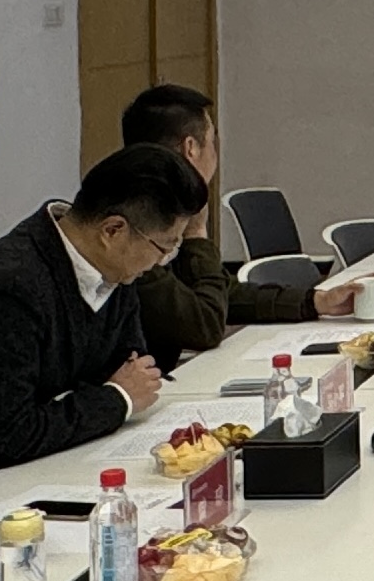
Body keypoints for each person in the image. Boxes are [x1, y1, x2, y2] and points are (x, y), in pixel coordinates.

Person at [0, 144, 209, 508]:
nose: (161, 262)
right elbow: (8, 436)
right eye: (164, 247)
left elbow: (130, 367)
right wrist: (116, 399)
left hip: (63, 466)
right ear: (113, 230)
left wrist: (107, 396)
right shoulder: (4, 288)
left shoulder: (114, 269)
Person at [117, 83, 352, 373]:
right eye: (211, 140)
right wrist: (196, 236)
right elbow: (204, 326)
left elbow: (222, 294)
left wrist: (314, 301)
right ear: (191, 149)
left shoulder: (157, 204)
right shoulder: (138, 229)